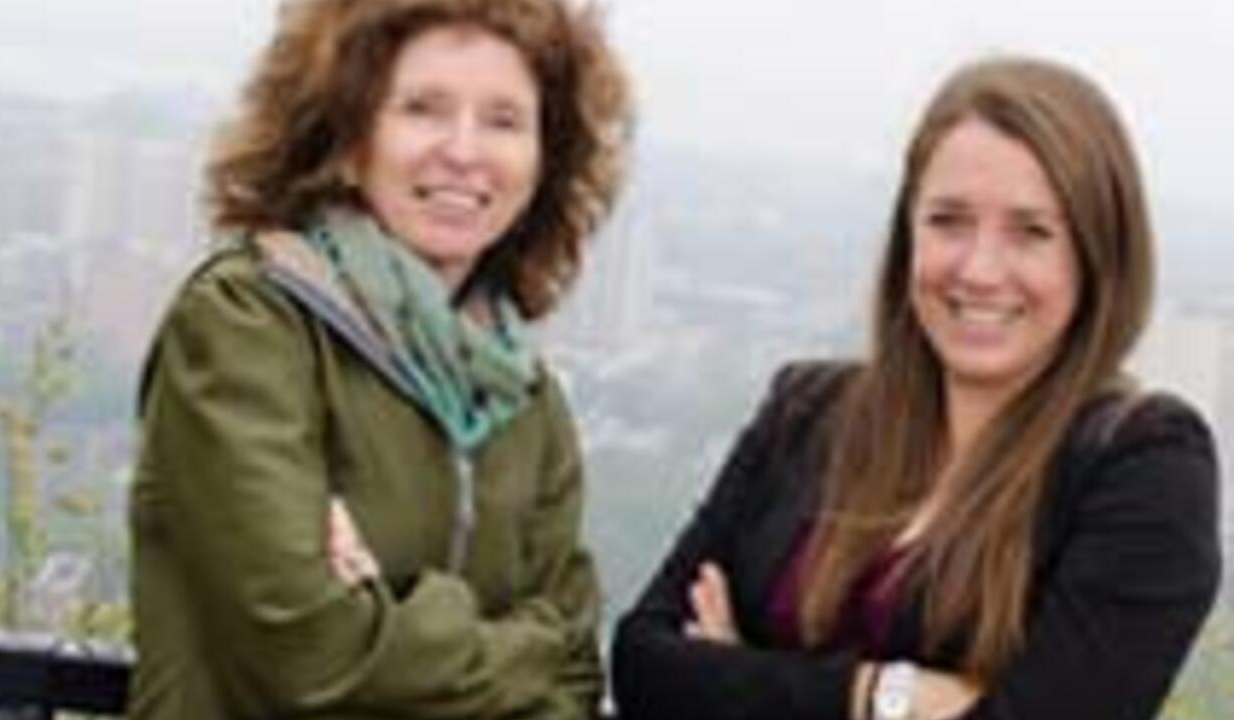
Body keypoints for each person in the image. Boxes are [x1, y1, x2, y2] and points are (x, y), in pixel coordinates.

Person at [612, 56, 1221, 720]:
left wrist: (732, 679)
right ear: (908, 234)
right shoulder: (807, 412)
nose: (979, 269)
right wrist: (881, 697)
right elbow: (644, 665)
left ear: (1098, 257)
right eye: (948, 221)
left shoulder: (1144, 466)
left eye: (1031, 232)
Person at [127, 0, 630, 717]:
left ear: (545, 160)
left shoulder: (523, 399)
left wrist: (390, 623)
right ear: (346, 136)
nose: (464, 151)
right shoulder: (249, 325)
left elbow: (574, 676)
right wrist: (524, 645)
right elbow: (311, 660)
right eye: (423, 109)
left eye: (504, 120)